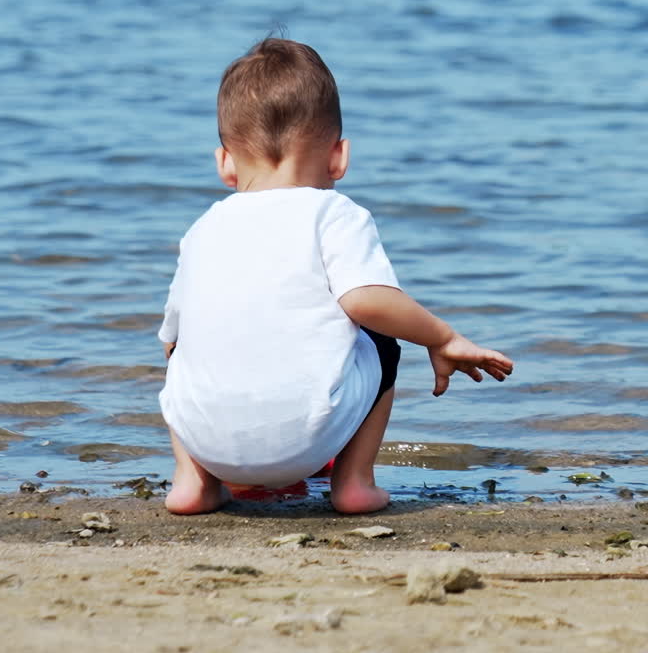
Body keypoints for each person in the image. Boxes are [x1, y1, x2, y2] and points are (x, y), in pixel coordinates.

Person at [158, 39, 512, 516]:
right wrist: (441, 337)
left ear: (224, 162)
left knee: (182, 347)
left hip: (210, 441)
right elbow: (367, 299)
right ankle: (354, 482)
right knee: (384, 338)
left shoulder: (202, 228)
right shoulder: (334, 213)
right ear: (338, 157)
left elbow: (170, 341)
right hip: (307, 435)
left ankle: (192, 480)